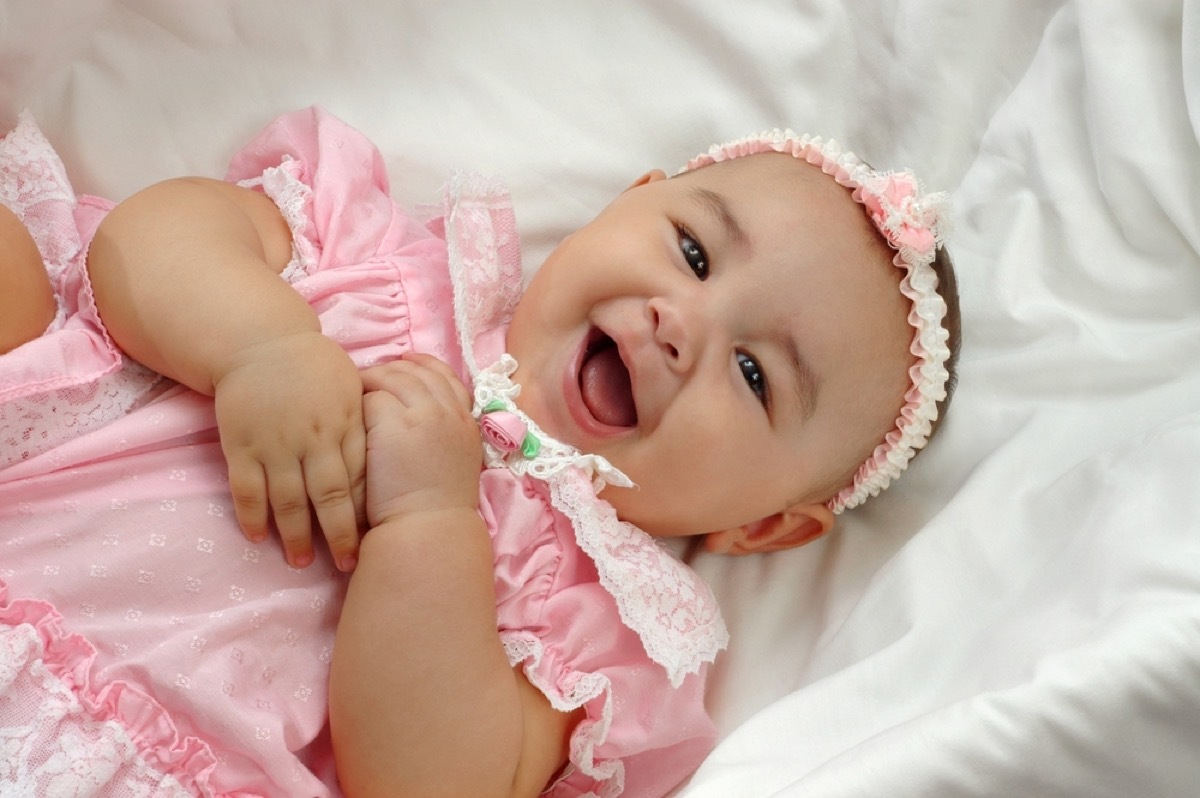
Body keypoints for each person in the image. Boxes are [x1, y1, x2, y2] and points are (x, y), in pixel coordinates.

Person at [0, 107, 959, 797]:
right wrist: (264, 346)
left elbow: (425, 782)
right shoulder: (379, 259)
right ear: (630, 202)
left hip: (100, 737)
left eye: (754, 375)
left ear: (762, 527)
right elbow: (155, 233)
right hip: (41, 441)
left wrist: (429, 526)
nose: (680, 324)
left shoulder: (599, 631)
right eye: (695, 255)